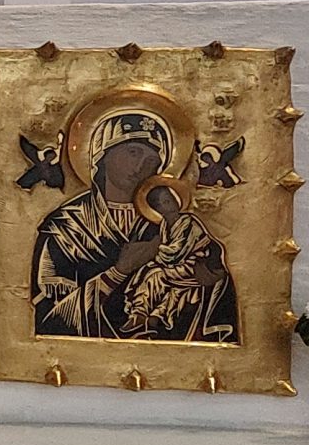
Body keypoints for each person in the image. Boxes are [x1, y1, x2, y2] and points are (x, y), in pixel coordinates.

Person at [31, 110, 238, 343]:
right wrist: (118, 273)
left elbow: (216, 283)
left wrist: (207, 277)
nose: (141, 166)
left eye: (151, 161)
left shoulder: (170, 222)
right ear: (101, 154)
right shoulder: (65, 227)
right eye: (133, 153)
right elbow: (47, 319)